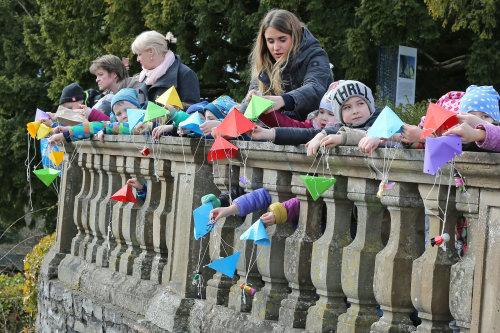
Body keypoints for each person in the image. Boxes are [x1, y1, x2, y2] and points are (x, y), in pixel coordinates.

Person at [249, 80, 380, 155]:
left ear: (370, 105)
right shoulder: (338, 127)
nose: (355, 111)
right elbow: (304, 133)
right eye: (347, 107)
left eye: (361, 104)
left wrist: (340, 137)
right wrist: (267, 133)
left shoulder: (382, 121)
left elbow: (376, 133)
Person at [246, 9, 332, 120]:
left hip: (314, 126)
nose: (276, 48)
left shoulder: (316, 55)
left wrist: (283, 100)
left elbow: (315, 88)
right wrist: (250, 100)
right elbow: (247, 110)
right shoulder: (265, 62)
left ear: (295, 36)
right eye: (270, 41)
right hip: (277, 126)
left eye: (282, 40)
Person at [48, 88, 143, 145]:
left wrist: (107, 130)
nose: (124, 116)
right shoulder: (114, 123)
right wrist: (66, 135)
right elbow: (93, 126)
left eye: (127, 110)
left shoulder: (147, 118)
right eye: (118, 114)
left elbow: (133, 129)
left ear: (138, 108)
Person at [131, 31, 200, 107]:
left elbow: (193, 112)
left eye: (139, 54)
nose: (138, 59)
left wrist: (171, 111)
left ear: (151, 51)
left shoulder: (185, 74)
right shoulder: (144, 76)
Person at [258, 82, 339, 128]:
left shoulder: (345, 134)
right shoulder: (310, 127)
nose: (323, 118)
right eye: (321, 112)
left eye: (331, 114)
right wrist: (261, 107)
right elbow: (287, 125)